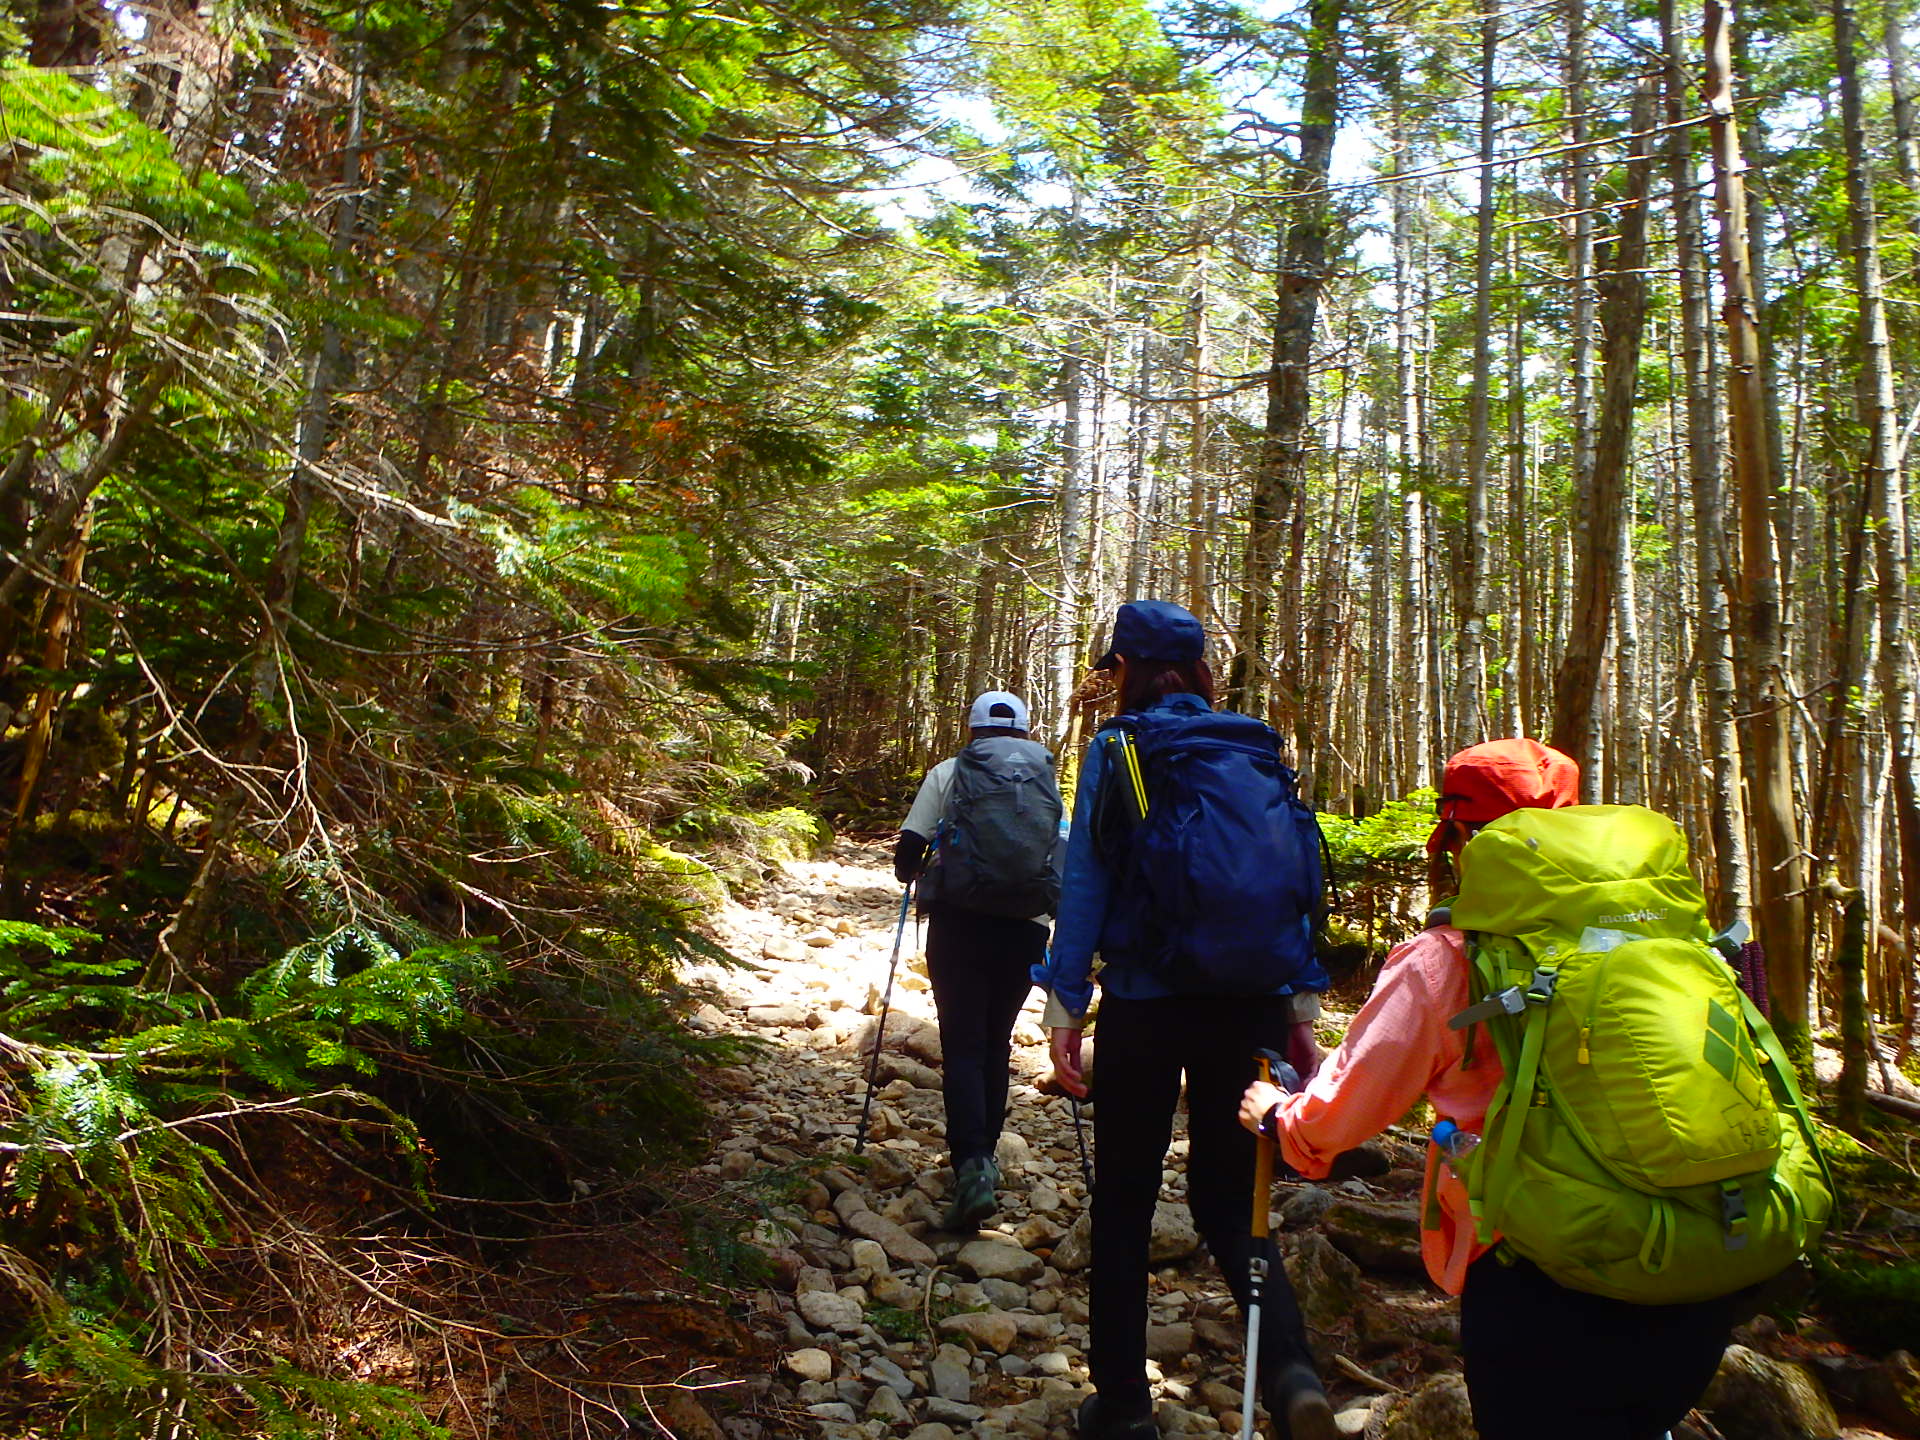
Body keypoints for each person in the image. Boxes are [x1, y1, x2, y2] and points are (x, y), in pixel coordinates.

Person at [1236, 738, 1746, 1440]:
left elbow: (1349, 1105)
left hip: (1539, 1268)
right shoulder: (1669, 935)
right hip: (1703, 1253)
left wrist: (1281, 1120)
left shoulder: (1452, 957)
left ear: (1458, 837)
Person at [1034, 599, 1336, 1440]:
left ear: (1123, 668)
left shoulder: (1116, 746)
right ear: (1201, 671)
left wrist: (1066, 1006)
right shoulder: (1255, 743)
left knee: (1127, 1198)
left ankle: (1125, 1406)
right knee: (1231, 1196)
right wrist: (1300, 1009)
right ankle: (1289, 1372)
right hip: (1252, 1002)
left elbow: (1086, 883)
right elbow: (1295, 882)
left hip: (1145, 1002)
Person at [896, 689, 1060, 1230]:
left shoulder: (950, 771)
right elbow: (1063, 855)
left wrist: (928, 866)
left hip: (959, 924)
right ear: (1026, 732)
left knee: (962, 1044)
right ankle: (987, 1152)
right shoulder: (1046, 778)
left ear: (972, 729)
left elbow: (905, 858)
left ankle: (972, 1165)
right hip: (1027, 928)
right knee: (996, 1042)